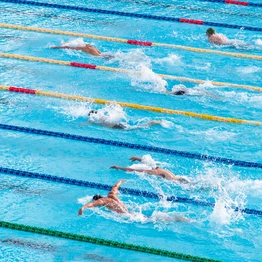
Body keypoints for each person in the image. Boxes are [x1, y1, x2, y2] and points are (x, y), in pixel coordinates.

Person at [78, 179, 190, 222]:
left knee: (152, 220)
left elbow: (93, 204)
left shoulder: (103, 201)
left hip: (127, 216)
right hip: (130, 212)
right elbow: (115, 186)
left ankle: (175, 219)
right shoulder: (111, 195)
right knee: (149, 218)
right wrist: (121, 181)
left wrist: (83, 208)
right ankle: (175, 218)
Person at [110, 156, 190, 183]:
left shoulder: (155, 171)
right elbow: (150, 163)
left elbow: (135, 170)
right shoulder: (158, 169)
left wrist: (119, 167)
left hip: (178, 181)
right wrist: (137, 158)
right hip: (180, 178)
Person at [83, 110, 165, 130]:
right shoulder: (103, 116)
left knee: (136, 128)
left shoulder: (96, 121)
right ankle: (152, 123)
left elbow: (89, 123)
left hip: (117, 126)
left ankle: (152, 123)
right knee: (135, 126)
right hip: (119, 123)